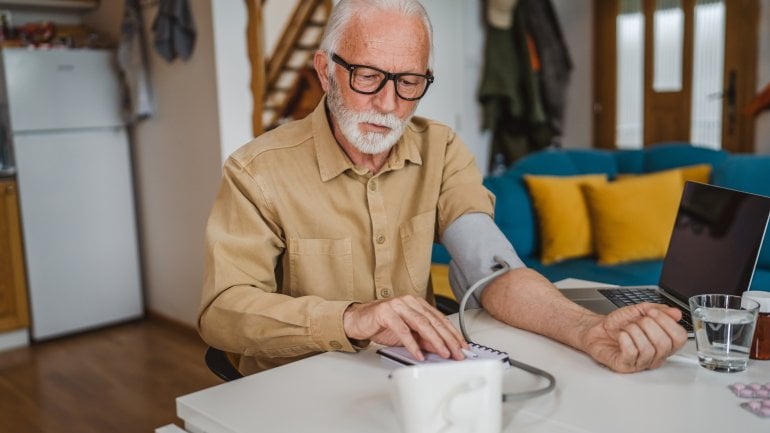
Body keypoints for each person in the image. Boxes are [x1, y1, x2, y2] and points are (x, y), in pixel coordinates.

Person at [199, 0, 687, 376]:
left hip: (417, 375)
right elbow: (221, 312)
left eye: (410, 81)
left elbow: (490, 267)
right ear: (326, 70)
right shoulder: (256, 171)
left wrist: (589, 330)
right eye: (368, 76)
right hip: (298, 387)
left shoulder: (442, 149)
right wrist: (351, 318)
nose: (389, 104)